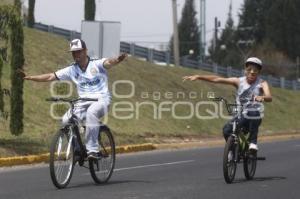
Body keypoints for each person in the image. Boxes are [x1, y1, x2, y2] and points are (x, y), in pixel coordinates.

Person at [22, 38, 127, 159]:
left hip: (101, 99)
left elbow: (109, 62)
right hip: (83, 101)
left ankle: (92, 150)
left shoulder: (96, 64)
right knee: (66, 119)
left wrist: (117, 60)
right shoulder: (72, 69)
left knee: (91, 113)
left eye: (78, 51)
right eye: (73, 52)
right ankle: (77, 149)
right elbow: (51, 76)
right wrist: (31, 77)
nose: (76, 54)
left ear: (85, 51)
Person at [182, 57, 272, 151]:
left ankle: (253, 142)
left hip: (254, 117)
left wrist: (262, 97)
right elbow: (217, 79)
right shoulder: (238, 81)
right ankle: (233, 152)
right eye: (249, 69)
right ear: (245, 70)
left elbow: (269, 97)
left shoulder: (262, 83)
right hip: (240, 115)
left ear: (259, 72)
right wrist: (199, 76)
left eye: (255, 70)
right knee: (226, 130)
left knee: (253, 112)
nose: (252, 72)